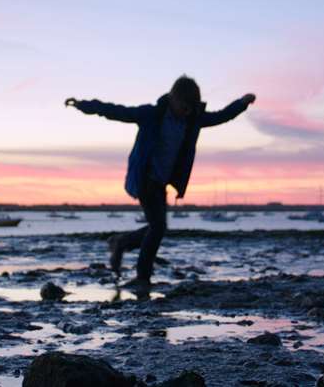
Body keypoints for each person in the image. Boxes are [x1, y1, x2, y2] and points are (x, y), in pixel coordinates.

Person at [65, 75, 255, 293]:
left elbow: (221, 116)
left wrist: (242, 103)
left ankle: (121, 242)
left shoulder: (193, 120)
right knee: (157, 227)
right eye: (184, 106)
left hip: (161, 183)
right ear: (173, 98)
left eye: (191, 108)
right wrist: (83, 105)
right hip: (145, 178)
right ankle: (142, 277)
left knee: (157, 227)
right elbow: (116, 111)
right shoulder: (152, 115)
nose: (187, 111)